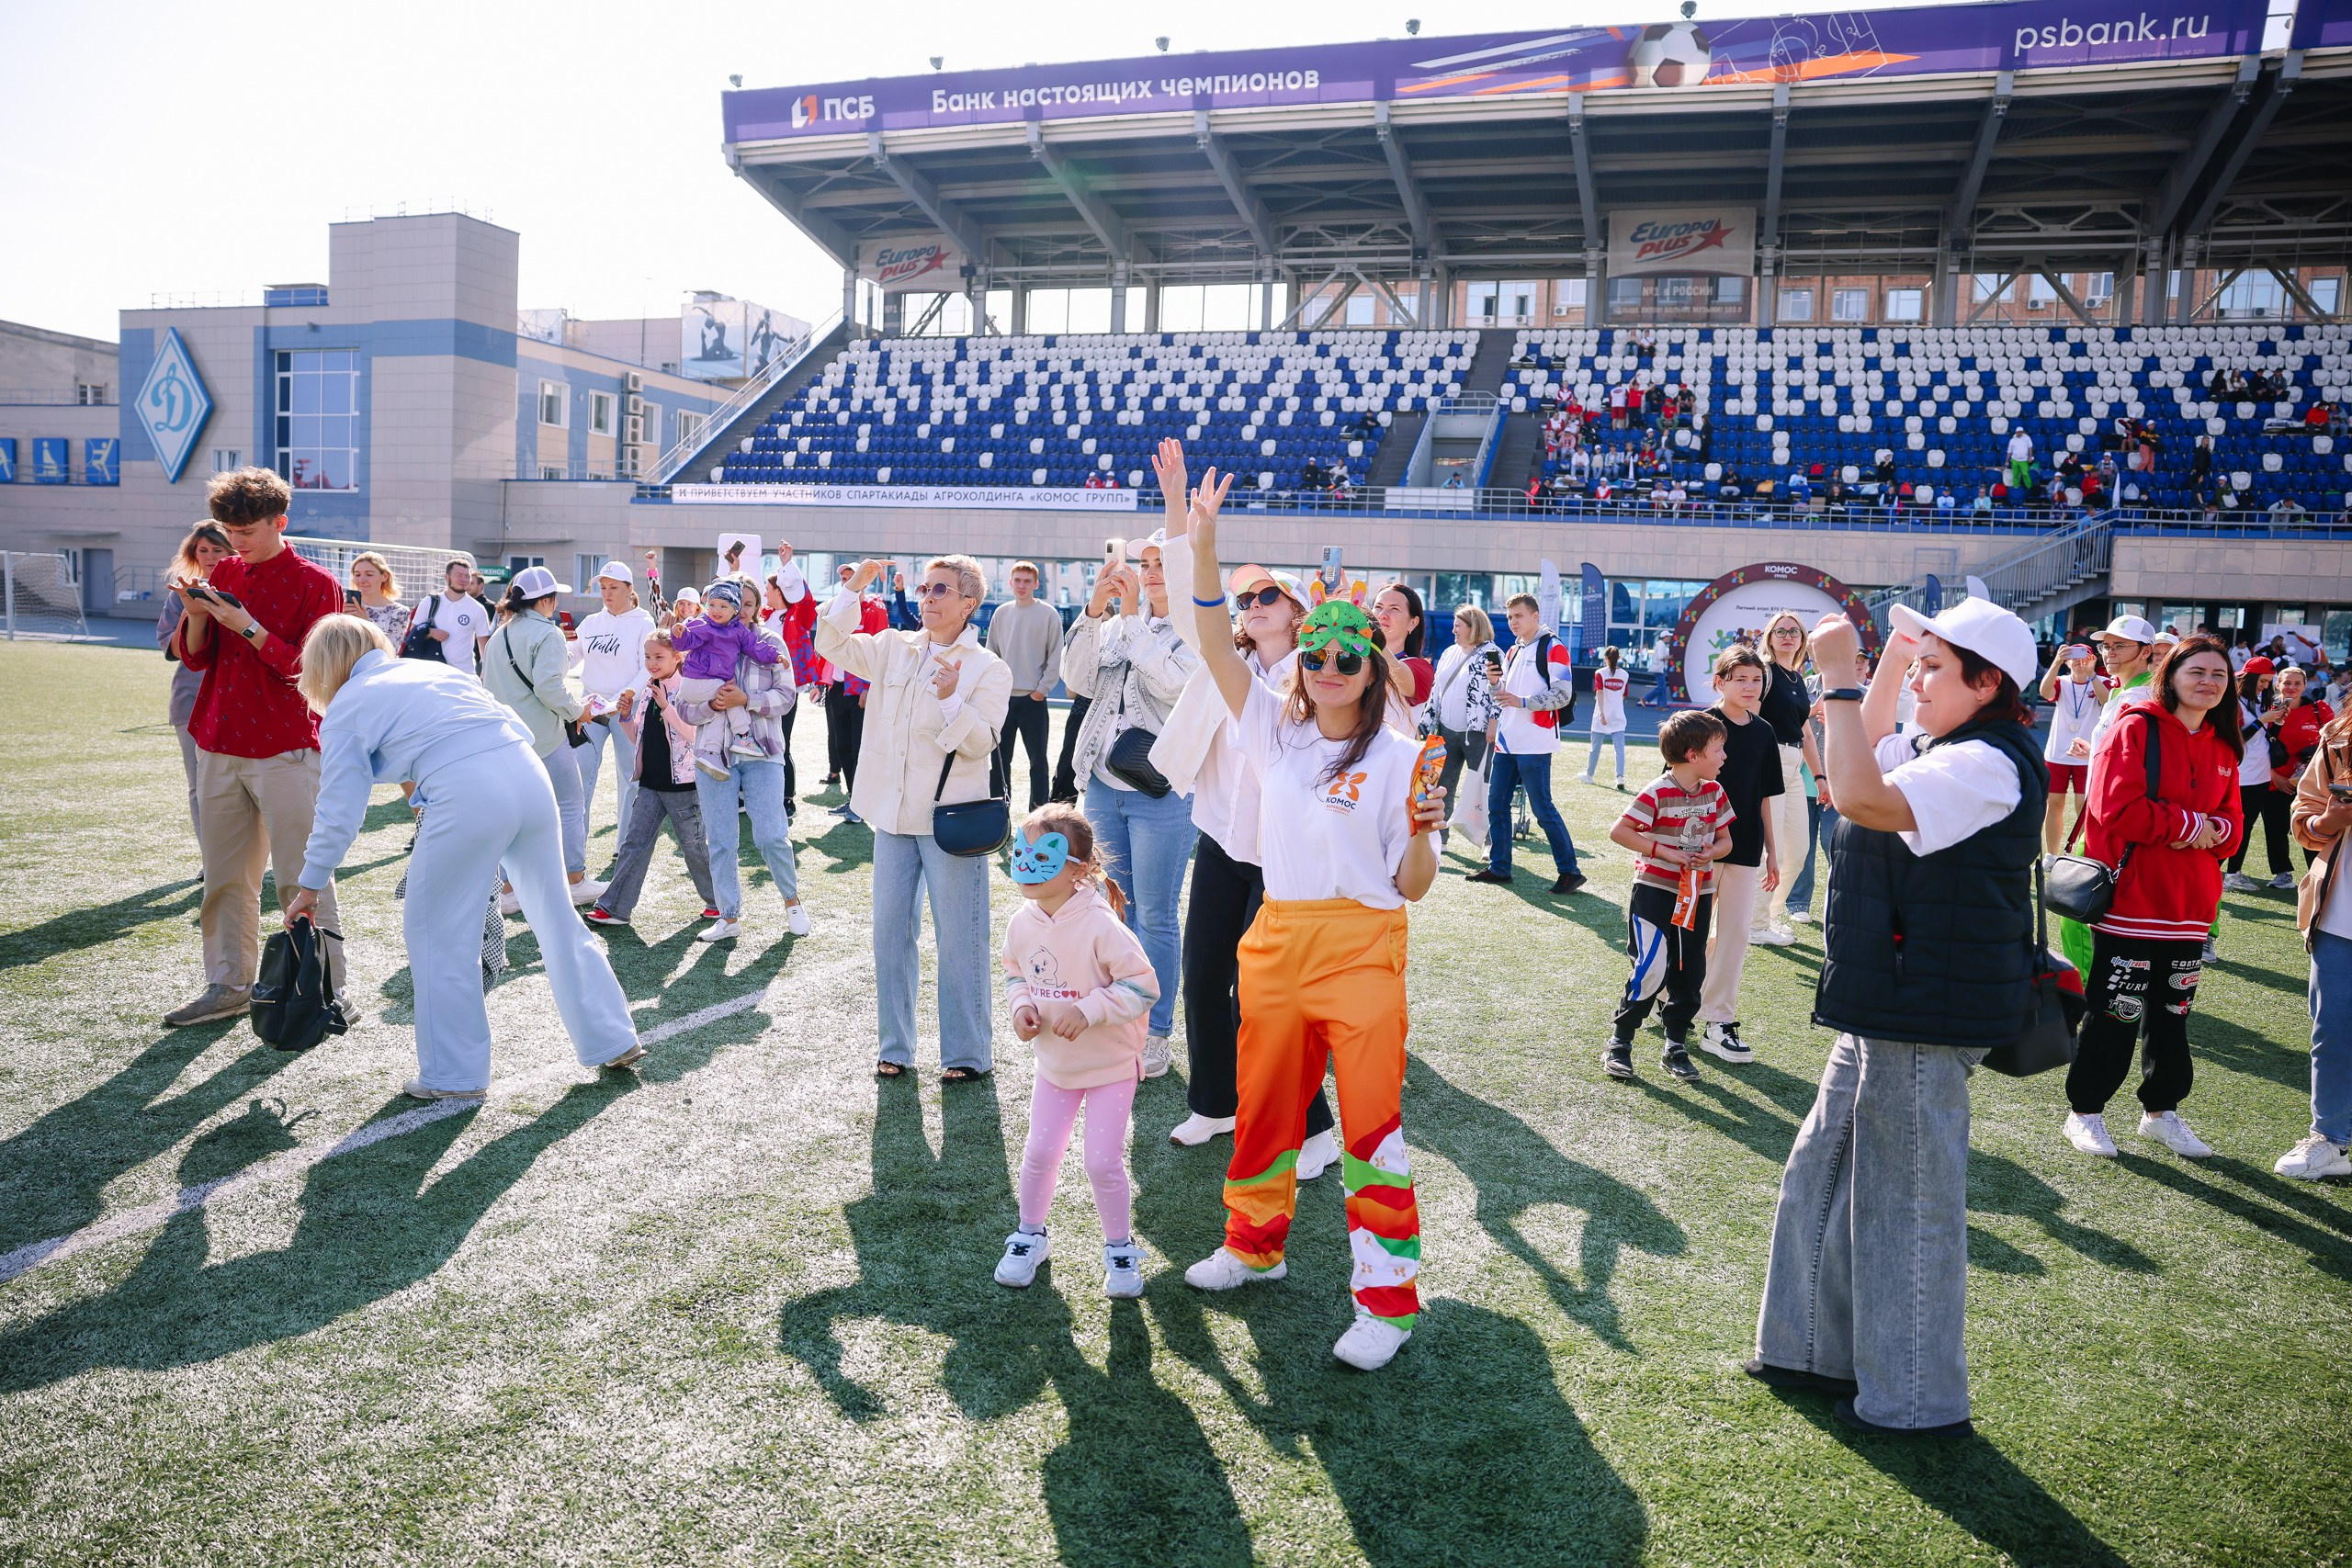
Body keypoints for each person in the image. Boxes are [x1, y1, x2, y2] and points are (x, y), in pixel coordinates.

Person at [1751, 596, 2046, 1436]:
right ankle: (1809, 1350)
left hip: (1926, 1009)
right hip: (1893, 998)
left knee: (1905, 1204)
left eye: (1932, 668)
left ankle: (1914, 1398)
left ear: (1987, 684)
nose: (1914, 681)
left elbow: (1859, 794)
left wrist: (1839, 674)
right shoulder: (1946, 742)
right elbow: (1871, 739)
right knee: (1825, 1169)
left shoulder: (1985, 763)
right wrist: (1882, 663)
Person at [1178, 468, 1447, 1373]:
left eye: (1346, 658)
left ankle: (1386, 1301)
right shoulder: (1274, 730)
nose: (1326, 669)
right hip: (1279, 939)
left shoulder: (1404, 755)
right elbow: (1216, 643)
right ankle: (1253, 1245)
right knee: (1265, 1109)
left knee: (1371, 1126)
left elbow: (1413, 886)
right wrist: (1204, 541)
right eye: (1317, 657)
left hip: (1363, 946)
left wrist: (1421, 826)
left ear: (1373, 668)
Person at [284, 615, 643, 1098]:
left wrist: (309, 884)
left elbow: (338, 809)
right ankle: (612, 1037)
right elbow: (509, 726)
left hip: (468, 791)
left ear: (322, 666)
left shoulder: (349, 703)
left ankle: (454, 1074)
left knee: (438, 934)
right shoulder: (435, 672)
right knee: (556, 917)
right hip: (525, 773)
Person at [1150, 463, 1343, 1176]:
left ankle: (1316, 1131)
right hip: (1223, 838)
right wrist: (1180, 511)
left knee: (1262, 992)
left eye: (1269, 594)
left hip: (1287, 856)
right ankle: (1214, 1103)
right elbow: (1185, 598)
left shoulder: (1325, 672)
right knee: (1201, 973)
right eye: (1246, 596)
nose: (1254, 603)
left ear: (1297, 611)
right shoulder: (1223, 660)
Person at [163, 467, 350, 1027]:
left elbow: (313, 672)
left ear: (279, 522)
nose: (235, 542)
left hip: (288, 747)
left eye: (246, 530)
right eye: (227, 529)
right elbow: (195, 658)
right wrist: (198, 617)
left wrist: (248, 627)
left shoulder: (318, 583)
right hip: (217, 741)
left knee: (302, 876)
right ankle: (228, 985)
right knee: (223, 879)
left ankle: (330, 989)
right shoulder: (225, 575)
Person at [819, 555, 1011, 1080]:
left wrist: (952, 701)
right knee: (889, 934)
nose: (927, 598)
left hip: (950, 821)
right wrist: (855, 587)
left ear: (969, 603)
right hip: (891, 815)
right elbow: (829, 644)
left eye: (940, 590)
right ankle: (895, 1048)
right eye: (924, 589)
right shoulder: (891, 647)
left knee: (960, 938)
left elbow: (983, 744)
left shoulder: (989, 668)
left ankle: (968, 1055)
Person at [2061, 637, 2242, 1160]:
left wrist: (2205, 830)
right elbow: (2116, 810)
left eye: (2219, 675)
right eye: (2197, 671)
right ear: (2171, 674)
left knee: (2173, 1011)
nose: (2208, 682)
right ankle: (2086, 1112)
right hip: (2132, 900)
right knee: (2115, 1009)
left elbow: (2232, 834)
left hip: (2191, 908)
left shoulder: (2224, 745)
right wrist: (2192, 826)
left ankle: (2162, 1113)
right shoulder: (2134, 726)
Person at [994, 804, 1159, 1296]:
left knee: (1102, 1162)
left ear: (1078, 869)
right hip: (1055, 1067)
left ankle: (1120, 1249)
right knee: (1040, 1152)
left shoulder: (1102, 925)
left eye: (1042, 853)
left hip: (1110, 1067)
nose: (1025, 862)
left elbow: (1144, 986)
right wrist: (1021, 1004)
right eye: (1020, 850)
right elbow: (1015, 972)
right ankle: (1029, 1236)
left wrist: (1089, 1010)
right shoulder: (1021, 922)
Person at [1064, 533, 1200, 1077]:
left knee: (1158, 914)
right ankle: (1119, 1015)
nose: (1149, 572)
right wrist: (1096, 611)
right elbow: (1075, 680)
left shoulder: (1197, 631)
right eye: (1144, 563)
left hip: (1161, 791)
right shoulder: (1115, 623)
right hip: (1100, 783)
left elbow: (1173, 687)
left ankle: (1157, 1031)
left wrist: (1130, 617)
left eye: (1161, 563)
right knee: (1115, 909)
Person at [1603, 710, 1734, 1080]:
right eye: (1718, 750)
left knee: (1690, 971)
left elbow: (1726, 840)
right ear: (1693, 755)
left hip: (1697, 895)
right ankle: (1620, 1041)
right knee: (1650, 968)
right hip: (1655, 892)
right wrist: (1666, 852)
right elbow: (1620, 831)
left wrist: (1712, 852)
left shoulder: (1715, 791)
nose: (1724, 757)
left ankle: (1675, 1044)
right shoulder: (1658, 791)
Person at [676, 581, 808, 942]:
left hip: (763, 751)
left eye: (748, 603)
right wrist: (712, 705)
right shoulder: (701, 635)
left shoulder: (770, 643)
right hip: (713, 756)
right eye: (738, 603)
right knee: (720, 840)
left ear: (754, 606)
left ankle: (792, 903)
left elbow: (786, 698)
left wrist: (744, 699)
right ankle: (728, 919)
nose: (743, 609)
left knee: (770, 835)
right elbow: (684, 705)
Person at [481, 566, 604, 909]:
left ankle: (508, 890)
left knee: (511, 814)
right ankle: (574, 880)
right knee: (569, 806)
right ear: (548, 601)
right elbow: (549, 686)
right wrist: (578, 710)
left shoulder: (500, 634)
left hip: (504, 737)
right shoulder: (547, 634)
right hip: (544, 739)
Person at [584, 630, 719, 933]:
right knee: (634, 843)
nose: (652, 662)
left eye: (659, 657)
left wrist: (668, 706)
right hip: (650, 783)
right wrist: (625, 718)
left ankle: (721, 902)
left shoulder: (687, 690)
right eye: (647, 657)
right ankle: (614, 908)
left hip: (683, 786)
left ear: (677, 658)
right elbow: (639, 740)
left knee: (694, 846)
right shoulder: (648, 691)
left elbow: (694, 736)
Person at [1694, 646, 1783, 1065]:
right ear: (1720, 682)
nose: (1750, 687)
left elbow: (1766, 795)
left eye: (1755, 679)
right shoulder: (1700, 726)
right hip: (1699, 848)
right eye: (1739, 679)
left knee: (1733, 934)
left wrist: (1773, 852)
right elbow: (1676, 784)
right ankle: (1670, 995)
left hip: (1746, 848)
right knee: (1691, 930)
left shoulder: (1765, 731)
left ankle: (1718, 1020)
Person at [1467, 594, 1585, 895]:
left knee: (1542, 808)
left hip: (1535, 741)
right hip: (1508, 740)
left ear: (1535, 616)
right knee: (1497, 805)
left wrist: (1523, 701)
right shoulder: (1513, 650)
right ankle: (1500, 867)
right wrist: (1494, 681)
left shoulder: (1553, 647)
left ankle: (1570, 871)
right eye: (1509, 617)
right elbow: (1503, 693)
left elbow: (1563, 695)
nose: (1513, 622)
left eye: (1518, 616)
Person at [2282, 714, 2352, 1177]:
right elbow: (2304, 819)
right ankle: (2330, 1138)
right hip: (2341, 913)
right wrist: (2333, 815)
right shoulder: (2340, 737)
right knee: (2332, 1032)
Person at [156, 520, 232, 845]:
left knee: (250, 784)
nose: (211, 556)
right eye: (204, 550)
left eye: (218, 549)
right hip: (191, 700)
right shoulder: (180, 593)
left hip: (240, 701)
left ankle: (249, 861)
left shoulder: (248, 589)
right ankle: (211, 860)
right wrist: (193, 611)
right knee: (200, 784)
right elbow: (171, 649)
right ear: (194, 552)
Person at [571, 560, 656, 846]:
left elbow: (648, 666)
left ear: (629, 589)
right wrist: (558, 646)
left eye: (613, 588)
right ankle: (574, 850)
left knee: (630, 778)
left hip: (626, 710)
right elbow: (571, 656)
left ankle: (625, 846)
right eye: (603, 588)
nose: (606, 594)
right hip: (591, 709)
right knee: (580, 776)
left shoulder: (644, 622)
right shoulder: (591, 623)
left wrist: (629, 693)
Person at [670, 581, 783, 773]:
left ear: (734, 610)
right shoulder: (703, 624)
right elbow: (686, 642)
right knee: (730, 695)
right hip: (695, 682)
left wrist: (775, 655)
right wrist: (679, 634)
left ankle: (711, 754)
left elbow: (756, 646)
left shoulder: (738, 631)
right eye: (712, 605)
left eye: (724, 606)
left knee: (720, 709)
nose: (716, 610)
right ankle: (743, 735)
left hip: (707, 685)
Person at [1758, 612, 1821, 940]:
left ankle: (1767, 916)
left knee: (1798, 850)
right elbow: (1749, 717)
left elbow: (1805, 733)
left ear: (1802, 639)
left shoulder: (1796, 677)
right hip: (1772, 760)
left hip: (1795, 765)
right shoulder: (1764, 673)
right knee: (1773, 850)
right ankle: (1755, 925)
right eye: (1780, 631)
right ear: (1769, 637)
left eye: (1793, 631)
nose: (1787, 636)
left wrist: (1820, 778)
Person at [989, 560, 1065, 813]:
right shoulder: (1001, 613)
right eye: (1018, 580)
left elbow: (1056, 655)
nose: (1022, 585)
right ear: (1011, 582)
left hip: (1033, 700)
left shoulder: (1048, 614)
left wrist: (1041, 690)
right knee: (999, 762)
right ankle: (999, 815)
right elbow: (991, 654)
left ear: (1036, 584)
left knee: (1037, 763)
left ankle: (1039, 816)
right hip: (1003, 701)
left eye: (1027, 581)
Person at [1430, 605, 1502, 847]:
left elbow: (1499, 691)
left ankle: (1491, 842)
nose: (1453, 630)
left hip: (1479, 734)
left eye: (1458, 626)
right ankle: (1440, 838)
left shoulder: (1492, 653)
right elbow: (1437, 688)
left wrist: (1494, 722)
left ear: (1473, 628)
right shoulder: (1450, 652)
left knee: (1484, 788)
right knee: (1443, 786)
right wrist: (1429, 721)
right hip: (1447, 730)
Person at [2225, 657, 2291, 890]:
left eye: (2269, 682)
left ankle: (2233, 871)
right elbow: (2239, 738)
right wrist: (2263, 720)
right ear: (2251, 678)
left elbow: (2263, 738)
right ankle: (2230, 873)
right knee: (2239, 825)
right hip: (2243, 775)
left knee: (2247, 826)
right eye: (2263, 681)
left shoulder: (2255, 702)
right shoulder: (2234, 702)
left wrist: (2278, 722)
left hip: (2260, 774)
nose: (2265, 686)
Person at [2038, 642, 2108, 852]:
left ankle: (2081, 853)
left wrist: (2092, 674)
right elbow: (2045, 692)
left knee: (2084, 806)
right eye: (2073, 656)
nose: (2079, 661)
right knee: (2055, 804)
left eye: (2084, 656)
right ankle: (2051, 854)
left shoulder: (2102, 681)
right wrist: (2057, 661)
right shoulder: (2061, 681)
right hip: (2058, 754)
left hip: (2087, 754)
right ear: (2067, 661)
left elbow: (2107, 700)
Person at [407, 558, 492, 675]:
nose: (463, 579)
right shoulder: (429, 602)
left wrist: (485, 673)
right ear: (447, 577)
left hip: (463, 674)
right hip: (429, 673)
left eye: (467, 576)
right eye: (459, 575)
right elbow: (413, 633)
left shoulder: (477, 609)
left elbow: (484, 645)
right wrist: (430, 632)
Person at [1371, 582, 1434, 730]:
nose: (1382, 615)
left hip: (1394, 753)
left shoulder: (1421, 669)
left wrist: (1358, 614)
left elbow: (1397, 675)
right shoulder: (1356, 661)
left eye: (1394, 608)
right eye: (1378, 607)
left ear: (1413, 623)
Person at [1581, 645, 1631, 789]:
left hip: (1601, 716)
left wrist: (1602, 713)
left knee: (1595, 747)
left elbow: (1600, 693)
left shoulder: (1600, 673)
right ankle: (1620, 778)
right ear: (1619, 658)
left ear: (1605, 658)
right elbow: (1624, 694)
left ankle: (1589, 775)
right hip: (1618, 715)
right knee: (1619, 748)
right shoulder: (1625, 675)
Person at [346, 552, 410, 643]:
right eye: (357, 575)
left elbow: (392, 649)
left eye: (369, 574)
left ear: (384, 576)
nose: (361, 580)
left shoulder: (399, 612)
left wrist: (367, 622)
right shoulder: (346, 604)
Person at [2006, 426, 2034, 491]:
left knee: (2025, 474)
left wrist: (2030, 457)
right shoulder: (2012, 440)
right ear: (2016, 432)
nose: (2020, 433)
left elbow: (2030, 447)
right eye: (2018, 432)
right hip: (2015, 459)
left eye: (2021, 432)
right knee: (2015, 475)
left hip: (2024, 460)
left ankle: (2029, 487)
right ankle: (2016, 488)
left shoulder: (2027, 438)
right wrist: (2007, 460)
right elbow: (2009, 451)